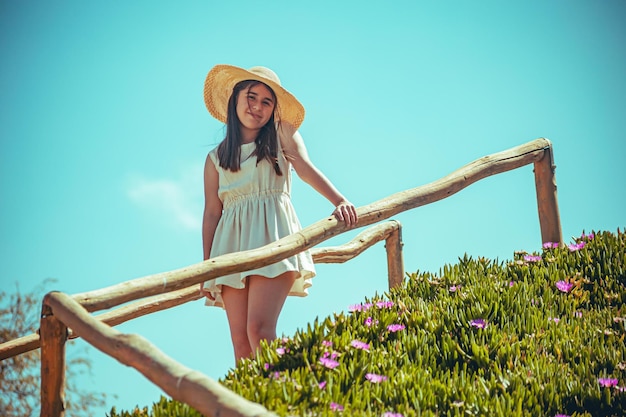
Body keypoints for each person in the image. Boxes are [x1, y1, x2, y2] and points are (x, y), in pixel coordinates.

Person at [199, 64, 358, 362]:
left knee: (258, 330)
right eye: (251, 97)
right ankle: (250, 406)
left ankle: (281, 397)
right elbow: (211, 213)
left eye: (266, 101)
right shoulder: (215, 158)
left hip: (274, 236)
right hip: (230, 249)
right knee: (240, 343)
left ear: (274, 110)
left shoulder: (282, 134)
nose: (257, 107)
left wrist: (339, 201)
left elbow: (307, 171)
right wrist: (206, 268)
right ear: (235, 99)